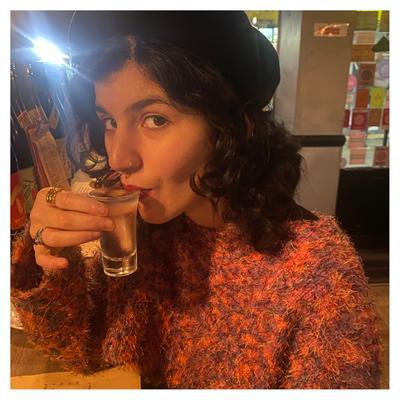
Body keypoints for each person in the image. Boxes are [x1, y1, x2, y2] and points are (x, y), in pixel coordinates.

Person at [11, 11, 382, 389]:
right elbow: (80, 347)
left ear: (233, 128)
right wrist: (49, 259)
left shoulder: (317, 271)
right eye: (110, 121)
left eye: (155, 120)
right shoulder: (155, 238)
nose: (119, 158)